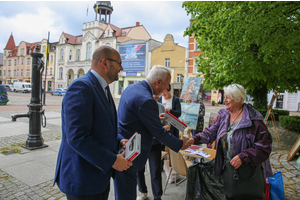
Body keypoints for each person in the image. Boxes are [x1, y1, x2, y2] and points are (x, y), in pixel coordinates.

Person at [53, 46, 133, 200]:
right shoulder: (82, 87)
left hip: (98, 178)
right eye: (119, 63)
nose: (121, 68)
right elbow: (77, 137)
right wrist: (113, 160)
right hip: (83, 181)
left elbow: (102, 127)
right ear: (105, 63)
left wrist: (119, 141)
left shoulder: (102, 88)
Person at [114, 65, 190, 200]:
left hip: (123, 147)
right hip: (130, 153)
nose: (167, 88)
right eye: (167, 84)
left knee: (124, 192)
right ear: (158, 81)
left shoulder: (131, 88)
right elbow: (159, 132)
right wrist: (179, 144)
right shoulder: (147, 99)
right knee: (126, 194)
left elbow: (136, 119)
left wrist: (154, 119)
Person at [184, 84, 273, 199]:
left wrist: (243, 157)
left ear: (239, 99)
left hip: (249, 172)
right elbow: (210, 132)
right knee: (229, 195)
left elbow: (264, 146)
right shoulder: (224, 116)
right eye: (224, 96)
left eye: (228, 97)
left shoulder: (254, 120)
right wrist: (193, 139)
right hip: (228, 169)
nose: (224, 100)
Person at [137, 94, 170, 200]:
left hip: (155, 145)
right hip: (142, 144)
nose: (157, 96)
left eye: (157, 95)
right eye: (154, 94)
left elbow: (168, 125)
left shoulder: (161, 107)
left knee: (155, 171)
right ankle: (143, 192)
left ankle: (157, 196)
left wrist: (159, 131)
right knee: (139, 169)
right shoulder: (142, 105)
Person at [158, 84, 181, 183]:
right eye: (162, 93)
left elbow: (179, 113)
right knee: (162, 146)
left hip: (173, 126)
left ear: (169, 91)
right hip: (163, 125)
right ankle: (163, 165)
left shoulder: (175, 99)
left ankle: (173, 165)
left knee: (172, 145)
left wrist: (169, 111)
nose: (164, 95)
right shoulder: (159, 99)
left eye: (165, 93)